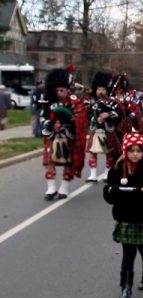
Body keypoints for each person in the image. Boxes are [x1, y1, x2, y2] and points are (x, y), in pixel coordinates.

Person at [103, 131, 143, 298]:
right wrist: (113, 191)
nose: (135, 154)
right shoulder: (116, 171)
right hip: (126, 218)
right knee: (128, 254)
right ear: (125, 151)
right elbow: (108, 196)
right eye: (131, 150)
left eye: (138, 150)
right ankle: (125, 287)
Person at [40, 67, 88, 201]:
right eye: (57, 90)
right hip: (52, 136)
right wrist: (51, 124)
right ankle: (51, 188)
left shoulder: (75, 102)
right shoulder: (49, 102)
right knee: (49, 161)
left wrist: (68, 123)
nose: (59, 93)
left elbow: (80, 118)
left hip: (68, 135)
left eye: (62, 90)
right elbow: (43, 119)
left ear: (67, 89)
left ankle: (64, 187)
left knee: (68, 162)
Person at [85, 71, 122, 182]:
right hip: (96, 129)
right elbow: (87, 115)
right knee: (93, 152)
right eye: (98, 89)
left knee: (109, 153)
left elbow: (119, 114)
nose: (100, 92)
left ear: (107, 90)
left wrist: (108, 115)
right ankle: (93, 174)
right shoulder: (92, 102)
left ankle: (107, 173)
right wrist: (95, 118)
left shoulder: (113, 102)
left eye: (102, 89)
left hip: (108, 130)